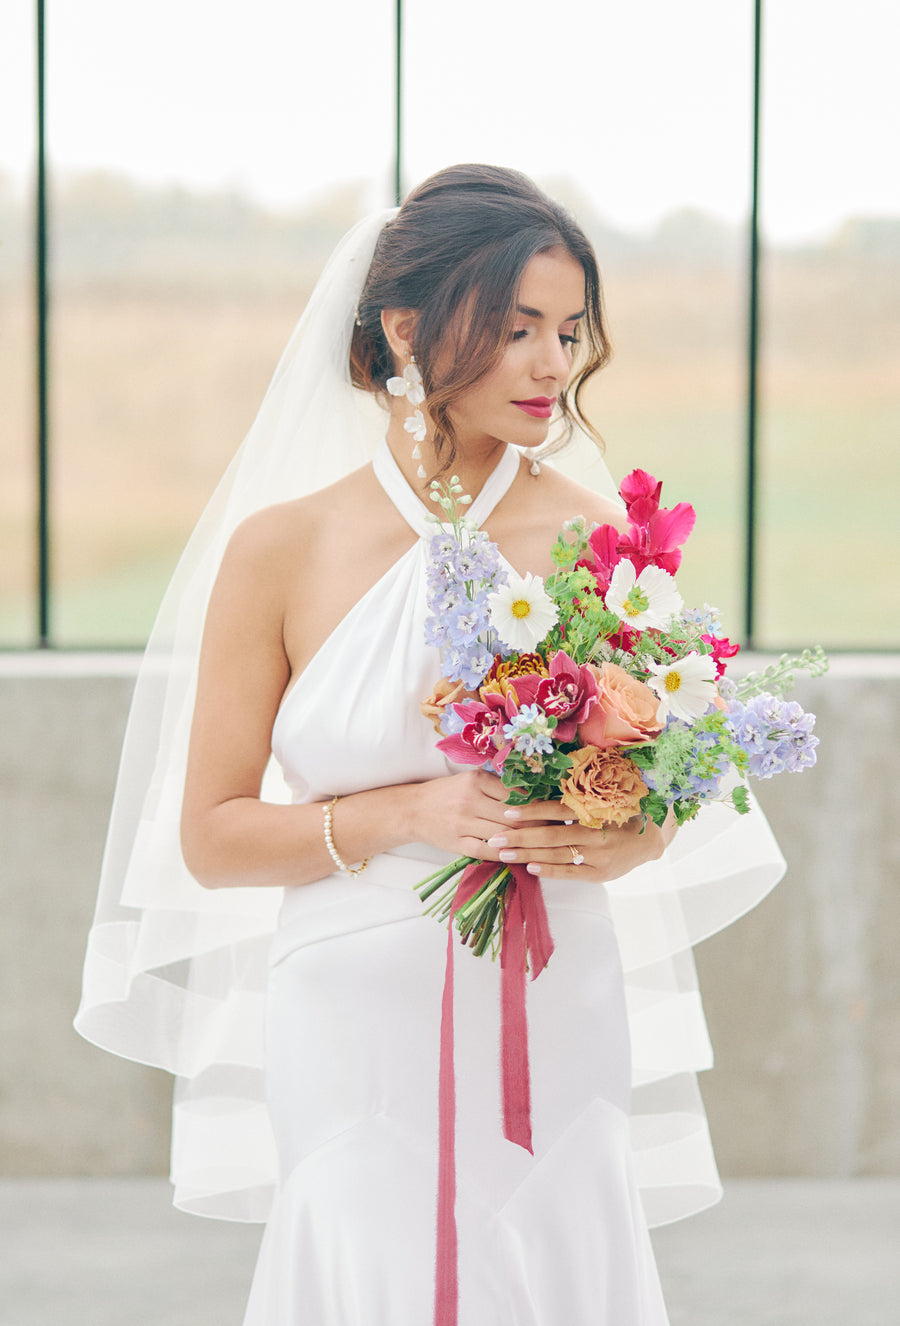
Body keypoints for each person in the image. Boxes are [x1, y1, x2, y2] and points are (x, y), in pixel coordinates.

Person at [76, 165, 786, 1325]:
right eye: (515, 329)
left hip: (556, 991)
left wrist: (625, 834)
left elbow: (659, 790)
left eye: (567, 330)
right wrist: (406, 815)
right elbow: (211, 838)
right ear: (406, 327)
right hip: (350, 1007)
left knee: (552, 1247)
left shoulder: (593, 537)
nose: (554, 366)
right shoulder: (280, 550)